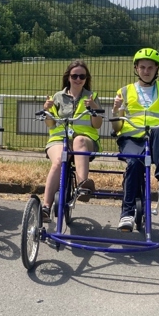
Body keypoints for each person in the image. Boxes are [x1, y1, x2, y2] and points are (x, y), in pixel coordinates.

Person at [112, 48, 159, 232]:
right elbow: (117, 128)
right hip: (131, 137)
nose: (146, 71)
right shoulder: (124, 91)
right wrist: (115, 111)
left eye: (150, 67)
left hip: (157, 139)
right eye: (142, 67)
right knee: (135, 164)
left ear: (157, 69)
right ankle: (126, 214)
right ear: (136, 68)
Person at [41, 60, 102, 221]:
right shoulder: (57, 97)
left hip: (84, 141)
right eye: (75, 75)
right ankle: (46, 207)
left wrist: (95, 108)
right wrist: (47, 110)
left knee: (79, 140)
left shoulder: (92, 96)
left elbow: (97, 125)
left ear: (86, 78)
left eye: (82, 76)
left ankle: (83, 186)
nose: (78, 79)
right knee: (59, 161)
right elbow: (50, 124)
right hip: (59, 139)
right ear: (68, 77)